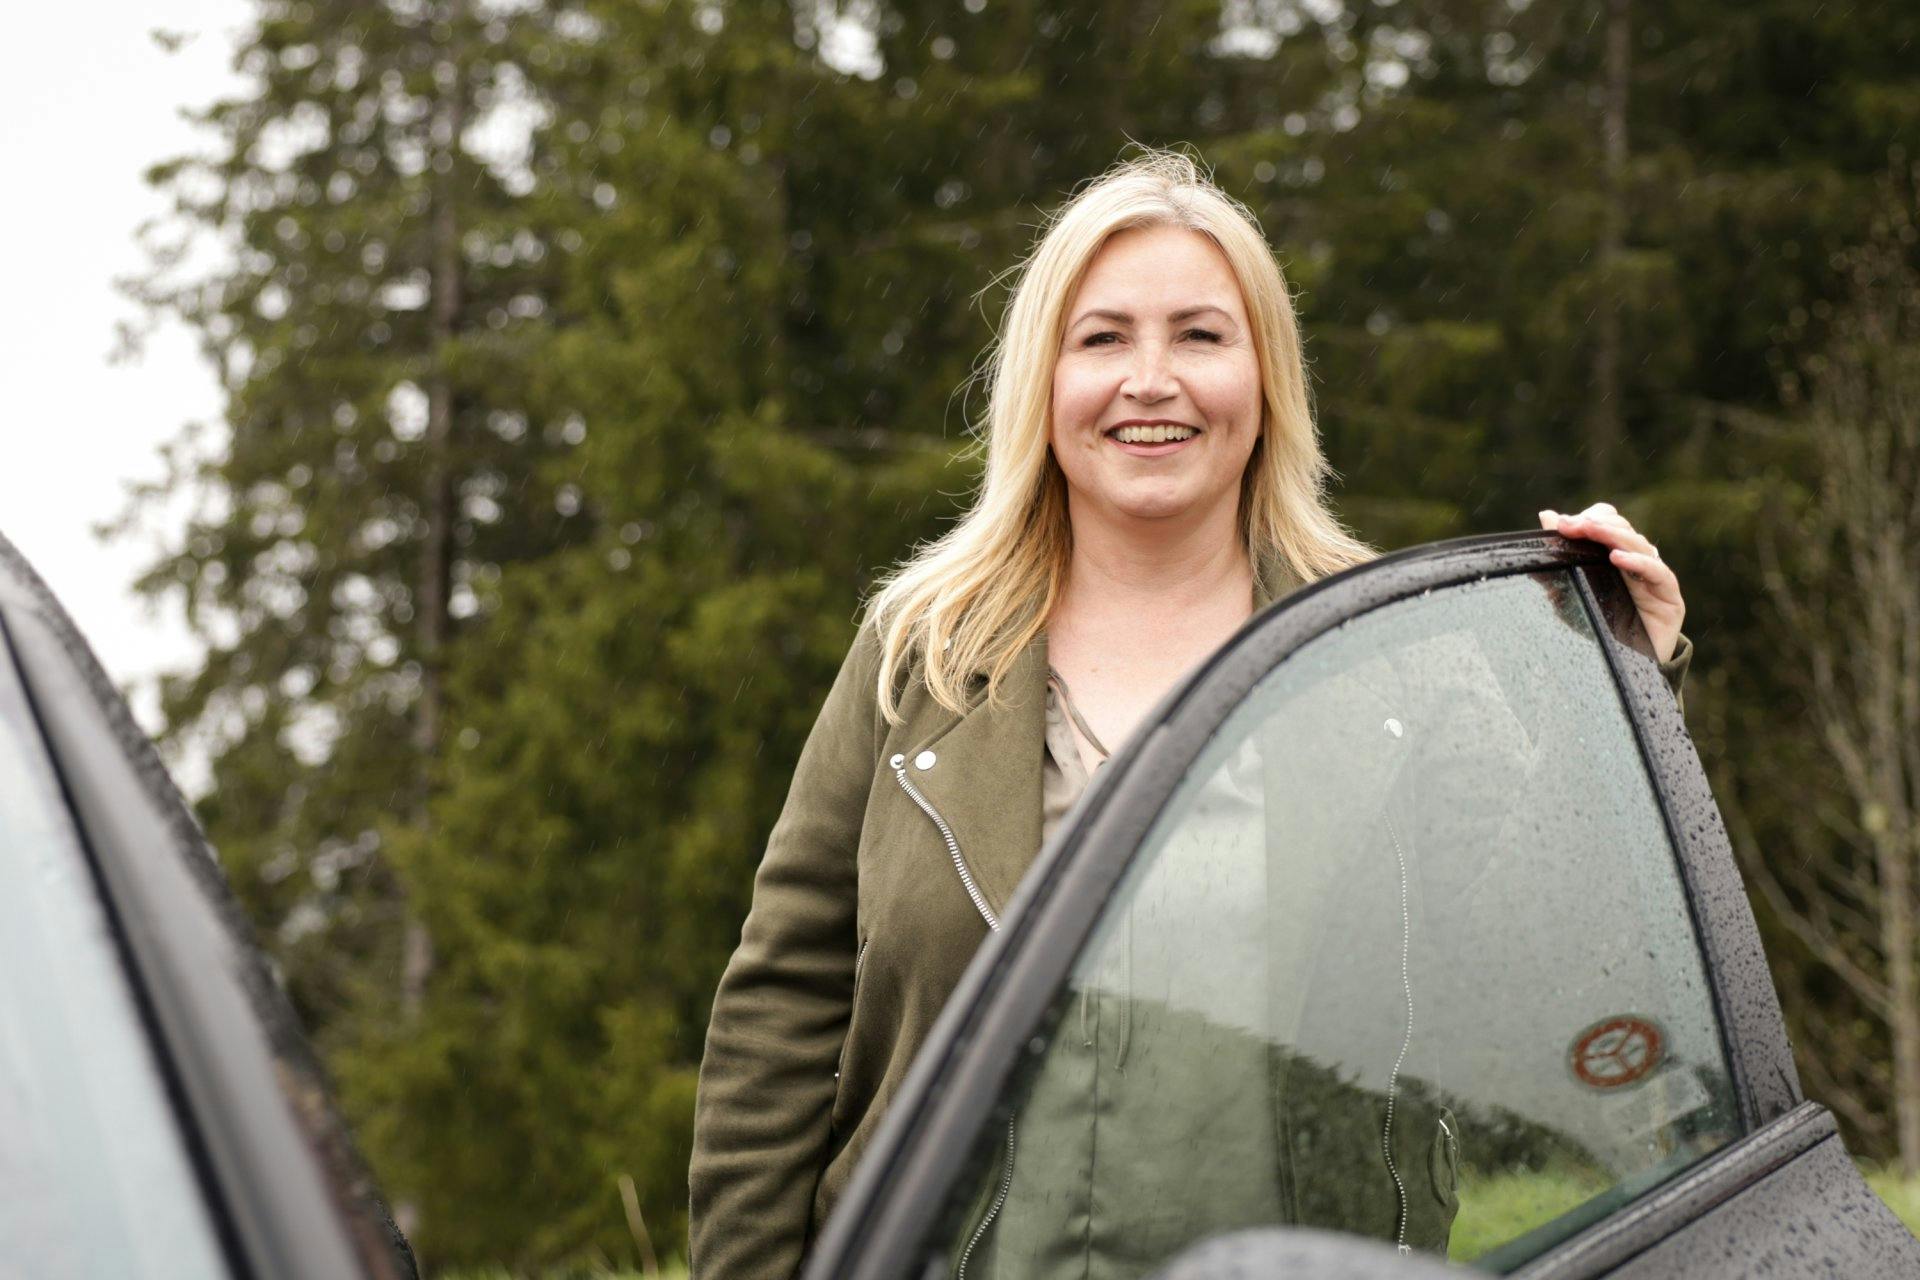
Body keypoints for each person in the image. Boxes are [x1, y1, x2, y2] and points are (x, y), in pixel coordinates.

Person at [686, 147, 1692, 1280]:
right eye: (1102, 337)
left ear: (1267, 381)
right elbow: (778, 1016)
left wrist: (1617, 687)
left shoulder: (1400, 654)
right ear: (1042, 384)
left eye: (1201, 336)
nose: (1150, 379)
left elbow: (1551, 962)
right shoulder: (918, 651)